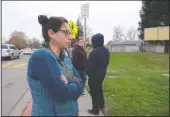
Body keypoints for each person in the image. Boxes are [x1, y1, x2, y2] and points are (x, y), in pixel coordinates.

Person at [27, 15, 85, 116]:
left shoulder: (65, 57)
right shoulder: (41, 57)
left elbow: (82, 82)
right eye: (66, 32)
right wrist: (75, 83)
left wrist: (70, 85)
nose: (71, 37)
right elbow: (61, 93)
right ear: (51, 33)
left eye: (70, 33)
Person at [86, 33, 110, 115]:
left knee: (94, 92)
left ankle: (95, 109)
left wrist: (87, 73)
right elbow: (107, 62)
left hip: (94, 76)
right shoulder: (106, 51)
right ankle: (101, 104)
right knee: (99, 89)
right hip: (102, 74)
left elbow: (89, 66)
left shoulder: (94, 52)